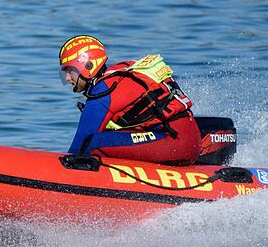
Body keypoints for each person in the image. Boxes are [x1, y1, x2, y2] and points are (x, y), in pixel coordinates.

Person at [59, 35, 200, 165]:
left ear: (87, 66)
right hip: (187, 139)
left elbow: (79, 145)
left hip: (175, 143)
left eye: (69, 70)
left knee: (92, 142)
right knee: (106, 137)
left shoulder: (103, 91)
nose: (67, 78)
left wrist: (60, 168)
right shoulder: (118, 74)